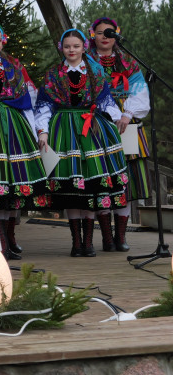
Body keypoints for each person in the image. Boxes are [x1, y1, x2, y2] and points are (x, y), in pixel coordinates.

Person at [35, 28, 129, 257]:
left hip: (92, 131)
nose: (71, 50)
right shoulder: (54, 74)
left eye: (76, 46)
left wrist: (119, 118)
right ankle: (76, 243)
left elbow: (105, 100)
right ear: (61, 48)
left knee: (91, 185)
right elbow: (44, 106)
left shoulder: (95, 72)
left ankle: (88, 242)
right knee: (71, 188)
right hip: (64, 130)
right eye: (67, 46)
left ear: (83, 47)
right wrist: (43, 132)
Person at [0, 23, 49, 261]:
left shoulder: (14, 67)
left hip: (14, 126)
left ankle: (10, 237)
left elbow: (31, 97)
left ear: (3, 42)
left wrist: (39, 129)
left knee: (14, 184)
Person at [88, 17, 149, 251]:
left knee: (127, 177)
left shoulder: (127, 63)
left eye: (110, 33)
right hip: (97, 121)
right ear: (92, 34)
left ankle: (121, 237)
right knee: (103, 176)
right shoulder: (87, 61)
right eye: (101, 32)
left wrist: (128, 113)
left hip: (126, 121)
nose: (105, 36)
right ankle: (106, 237)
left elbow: (140, 91)